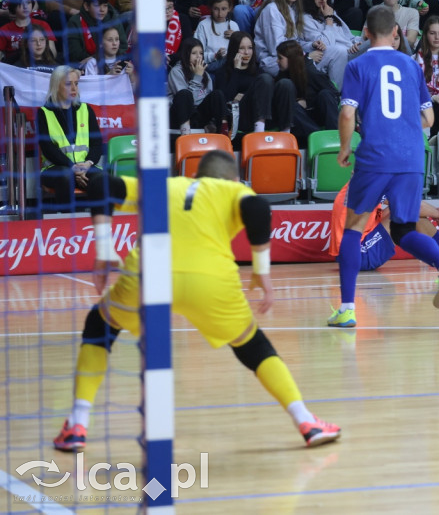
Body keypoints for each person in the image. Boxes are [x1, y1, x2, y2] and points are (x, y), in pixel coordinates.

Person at [52, 149, 341, 452]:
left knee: (99, 325)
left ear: (194, 175)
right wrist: (261, 271)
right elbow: (257, 208)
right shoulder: (235, 189)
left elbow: (100, 185)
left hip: (147, 274)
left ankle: (77, 424)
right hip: (211, 281)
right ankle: (305, 421)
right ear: (234, 178)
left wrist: (103, 248)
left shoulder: (167, 185)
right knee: (253, 346)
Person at [330, 5, 439, 327]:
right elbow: (429, 118)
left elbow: (348, 113)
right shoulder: (411, 65)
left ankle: (347, 309)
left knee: (353, 227)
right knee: (404, 228)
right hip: (411, 157)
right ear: (396, 33)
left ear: (365, 32)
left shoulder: (357, 64)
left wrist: (345, 147)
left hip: (377, 155)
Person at [36, 66, 103, 210]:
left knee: (102, 179)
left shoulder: (86, 109)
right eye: (68, 84)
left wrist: (88, 164)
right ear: (56, 86)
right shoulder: (44, 113)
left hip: (85, 167)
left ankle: (98, 222)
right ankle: (67, 223)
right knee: (66, 177)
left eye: (76, 83)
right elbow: (48, 149)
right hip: (56, 168)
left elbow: (97, 144)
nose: (74, 88)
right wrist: (72, 167)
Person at [215, 31, 292, 134]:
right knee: (265, 78)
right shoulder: (223, 72)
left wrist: (246, 95)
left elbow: (267, 96)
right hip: (241, 117)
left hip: (265, 116)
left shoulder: (258, 70)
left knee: (286, 83)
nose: (246, 52)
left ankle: (286, 132)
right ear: (234, 50)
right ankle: (259, 130)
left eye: (250, 48)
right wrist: (236, 70)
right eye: (241, 48)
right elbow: (225, 100)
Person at [273, 39, 339, 140]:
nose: (277, 61)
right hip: (300, 118)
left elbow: (334, 95)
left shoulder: (311, 73)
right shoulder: (283, 75)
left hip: (317, 112)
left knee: (326, 94)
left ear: (291, 59)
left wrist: (307, 102)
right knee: (291, 107)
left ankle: (335, 137)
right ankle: (319, 138)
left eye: (280, 58)